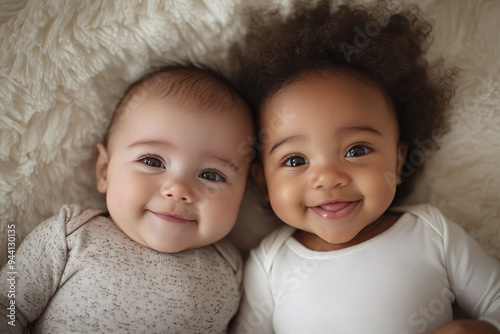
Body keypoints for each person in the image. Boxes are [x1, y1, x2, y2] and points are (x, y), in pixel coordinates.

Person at [229, 1, 500, 333]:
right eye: (295, 160)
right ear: (263, 182)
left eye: (357, 150)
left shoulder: (432, 234)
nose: (328, 177)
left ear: (399, 161)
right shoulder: (269, 265)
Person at [0, 65, 254, 333]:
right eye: (152, 161)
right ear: (104, 171)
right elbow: (8, 306)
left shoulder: (231, 268)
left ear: (243, 192)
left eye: (211, 175)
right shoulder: (70, 235)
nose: (178, 190)